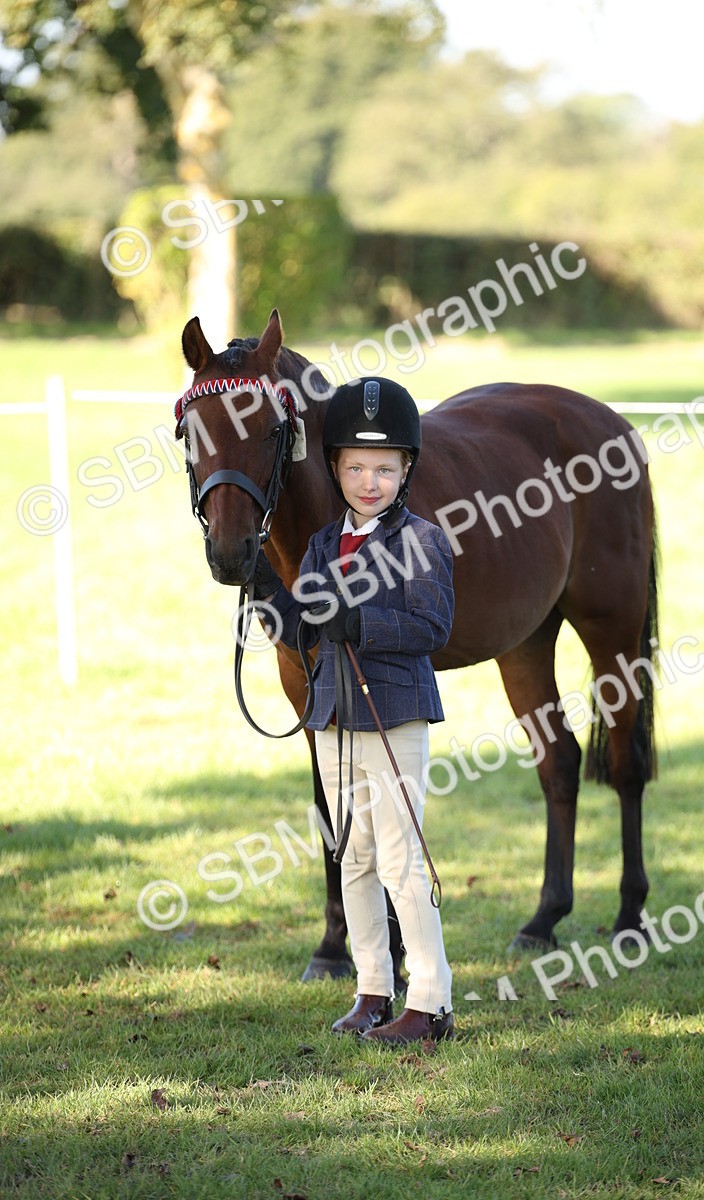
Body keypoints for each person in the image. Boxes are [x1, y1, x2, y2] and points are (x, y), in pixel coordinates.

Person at [253, 376, 455, 1045]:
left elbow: (432, 626)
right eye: (356, 467)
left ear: (406, 471)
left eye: (385, 469)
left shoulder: (422, 540)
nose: (370, 482)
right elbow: (310, 622)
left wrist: (359, 620)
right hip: (334, 719)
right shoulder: (318, 546)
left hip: (394, 717)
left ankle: (429, 1000)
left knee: (401, 860)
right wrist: (272, 602)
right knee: (354, 859)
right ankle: (373, 989)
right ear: (335, 467)